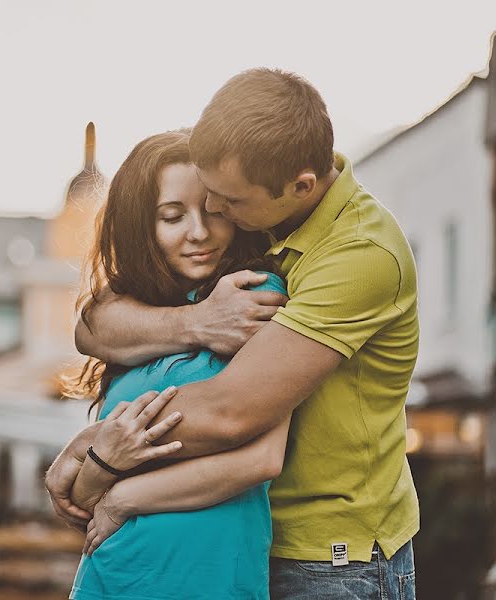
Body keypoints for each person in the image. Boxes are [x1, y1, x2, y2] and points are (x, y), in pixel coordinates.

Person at [46, 68, 419, 599]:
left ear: (301, 187)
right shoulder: (262, 212)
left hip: (330, 558)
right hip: (246, 541)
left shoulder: (360, 256)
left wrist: (90, 451)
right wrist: (195, 322)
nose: (214, 214)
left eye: (228, 202)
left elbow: (232, 412)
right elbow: (93, 325)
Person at [62, 129, 291, 599]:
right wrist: (96, 469)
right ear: (138, 227)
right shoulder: (130, 319)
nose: (199, 232)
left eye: (212, 211)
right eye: (171, 216)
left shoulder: (253, 295)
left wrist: (124, 496)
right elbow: (84, 498)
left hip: (208, 577)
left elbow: (262, 459)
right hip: (115, 573)